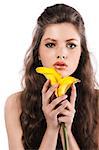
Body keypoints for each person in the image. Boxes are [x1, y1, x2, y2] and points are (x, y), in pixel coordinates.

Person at [5, 3, 99, 150]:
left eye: (71, 45)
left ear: (82, 53)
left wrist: (66, 131)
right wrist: (52, 129)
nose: (61, 53)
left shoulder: (96, 102)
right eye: (50, 45)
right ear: (38, 54)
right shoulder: (15, 105)